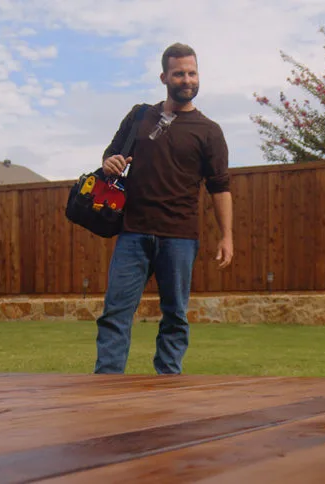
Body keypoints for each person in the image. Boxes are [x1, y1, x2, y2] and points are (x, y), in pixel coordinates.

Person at [94, 42, 233, 375]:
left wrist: (226, 236)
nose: (187, 79)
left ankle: (168, 386)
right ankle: (106, 384)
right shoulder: (140, 116)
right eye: (179, 73)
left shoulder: (209, 132)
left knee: (175, 315)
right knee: (115, 313)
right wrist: (110, 163)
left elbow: (220, 188)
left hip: (180, 236)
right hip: (133, 232)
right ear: (163, 77)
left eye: (191, 72)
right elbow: (110, 157)